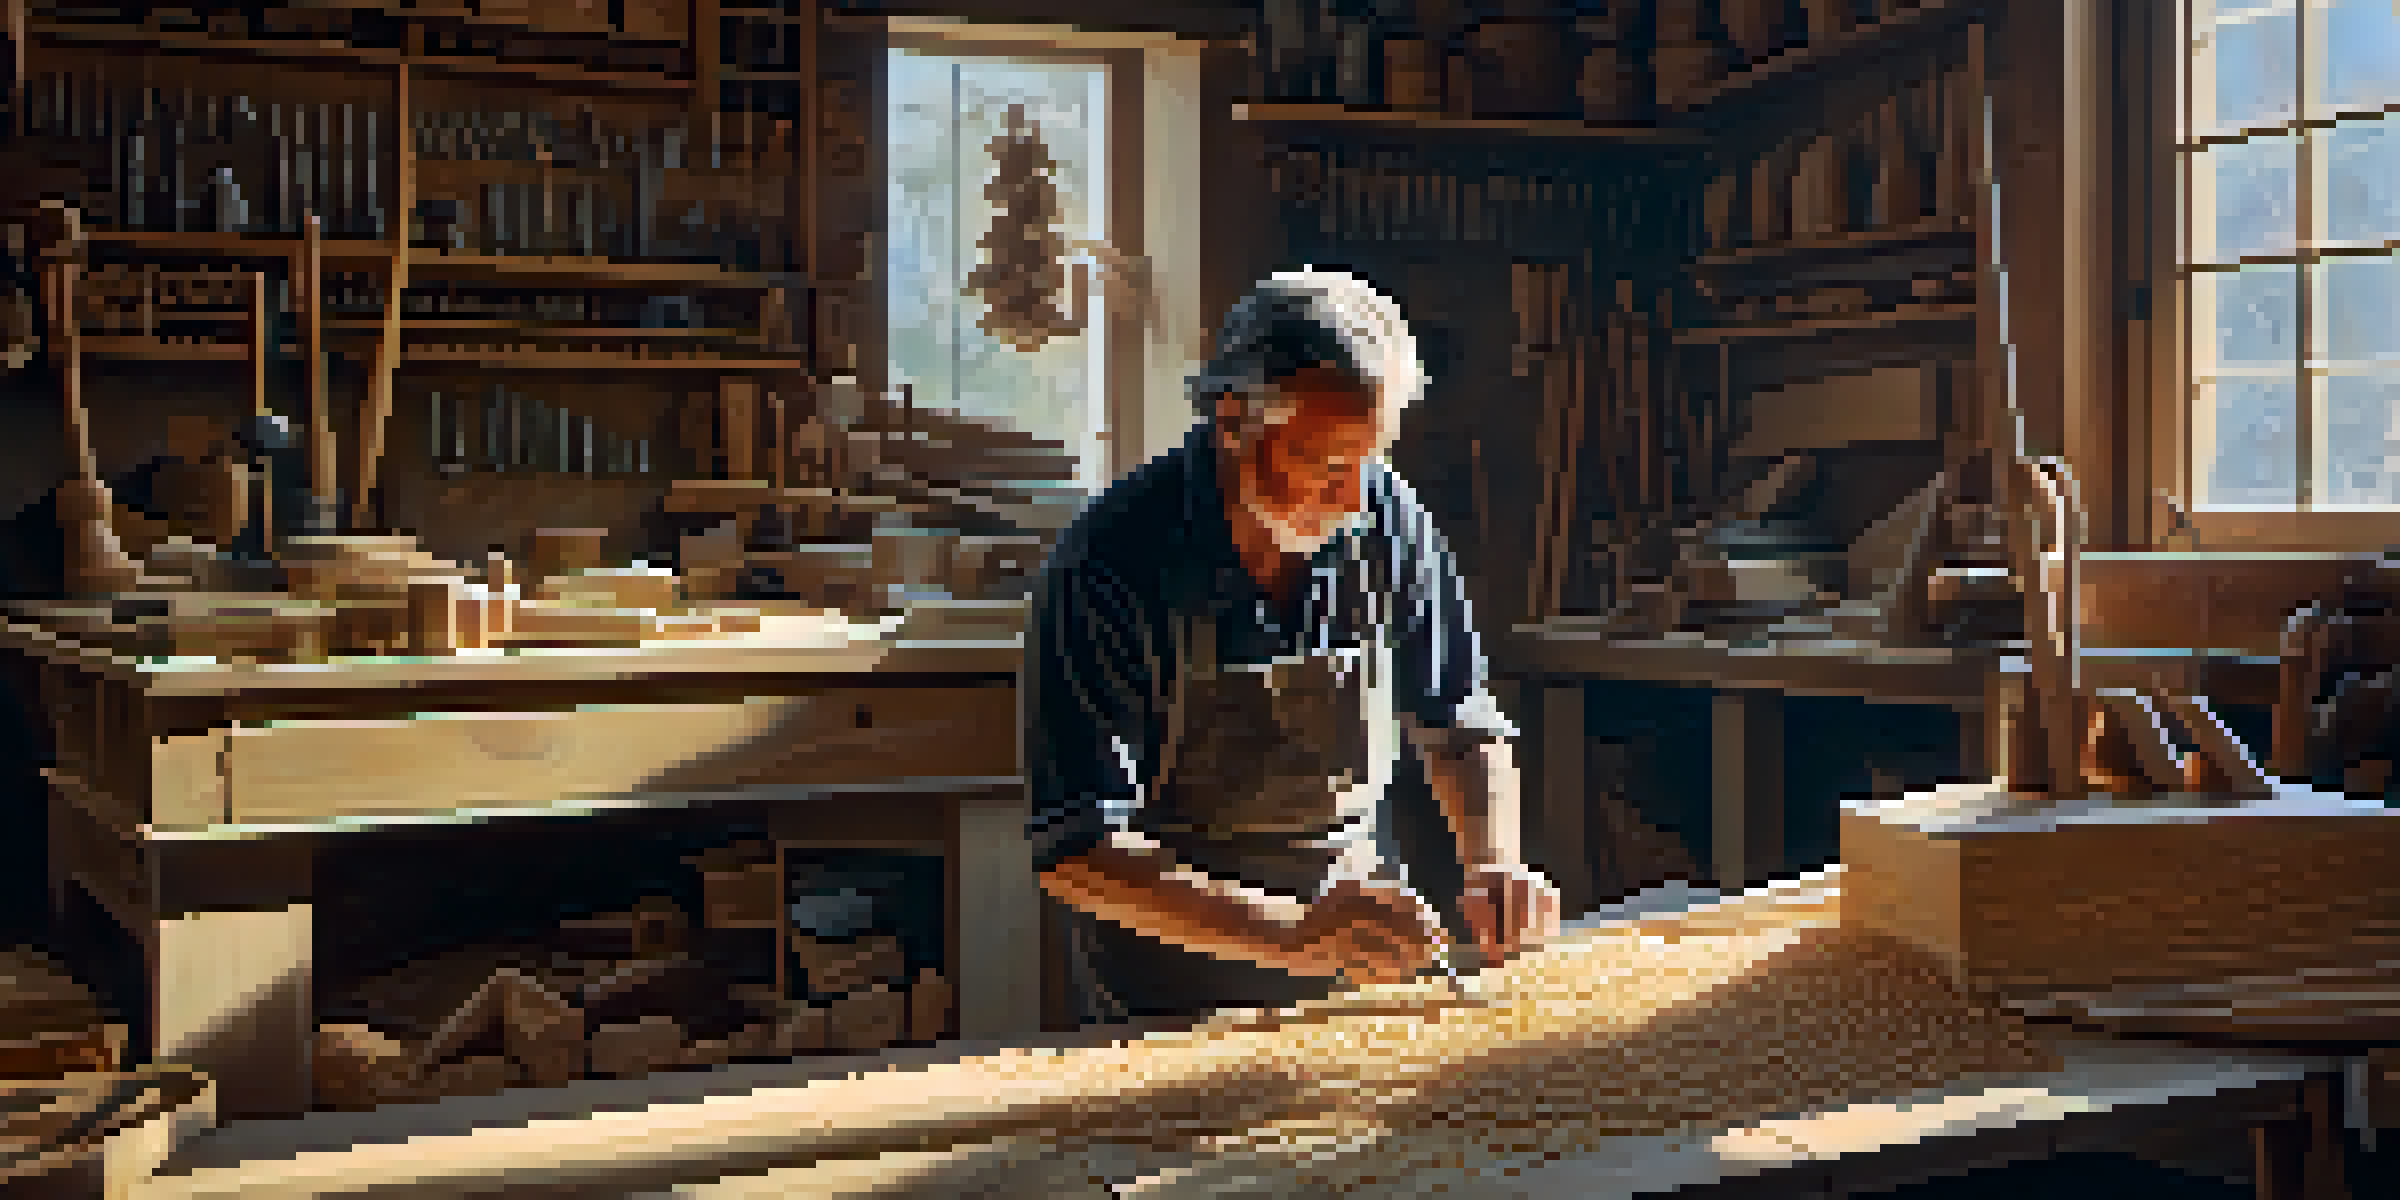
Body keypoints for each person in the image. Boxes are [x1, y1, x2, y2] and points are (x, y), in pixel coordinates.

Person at [1023, 268, 1560, 1023]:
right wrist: (1291, 934)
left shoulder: (1385, 521)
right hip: (1173, 993)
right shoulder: (1108, 566)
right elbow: (1078, 852)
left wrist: (1495, 862)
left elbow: (1457, 720)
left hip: (1362, 972)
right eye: (1329, 466)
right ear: (1235, 421)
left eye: (1369, 464)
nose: (1352, 500)